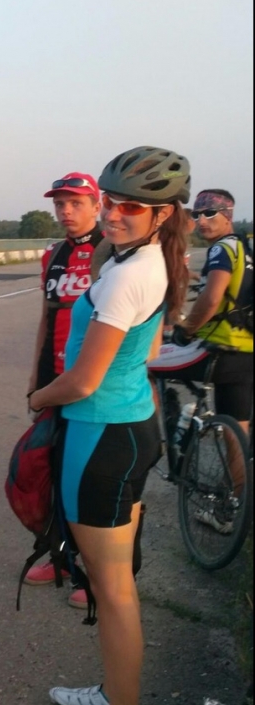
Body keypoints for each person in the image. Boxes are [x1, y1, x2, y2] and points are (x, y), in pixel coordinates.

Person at [28, 146, 191, 705]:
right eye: (111, 202)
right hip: (127, 427)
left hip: (101, 436)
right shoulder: (147, 261)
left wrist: (38, 399)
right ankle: (113, 695)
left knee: (113, 589)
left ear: (163, 214)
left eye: (131, 207)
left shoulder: (127, 276)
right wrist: (110, 243)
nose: (114, 214)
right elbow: (142, 353)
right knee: (109, 581)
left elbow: (82, 380)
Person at [148, 189, 251, 534]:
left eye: (210, 214)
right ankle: (229, 511)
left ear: (228, 215)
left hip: (217, 349)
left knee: (148, 363)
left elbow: (211, 299)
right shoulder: (246, 248)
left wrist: (186, 330)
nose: (202, 221)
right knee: (237, 433)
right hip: (247, 352)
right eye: (197, 214)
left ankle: (150, 440)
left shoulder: (221, 250)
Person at [24, 172, 104, 607]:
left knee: (91, 482)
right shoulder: (53, 255)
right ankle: (63, 559)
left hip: (93, 382)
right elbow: (46, 316)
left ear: (97, 206)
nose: (66, 211)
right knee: (53, 473)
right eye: (60, 204)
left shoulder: (111, 251)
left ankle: (101, 577)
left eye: (75, 203)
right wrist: (35, 377)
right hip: (54, 380)